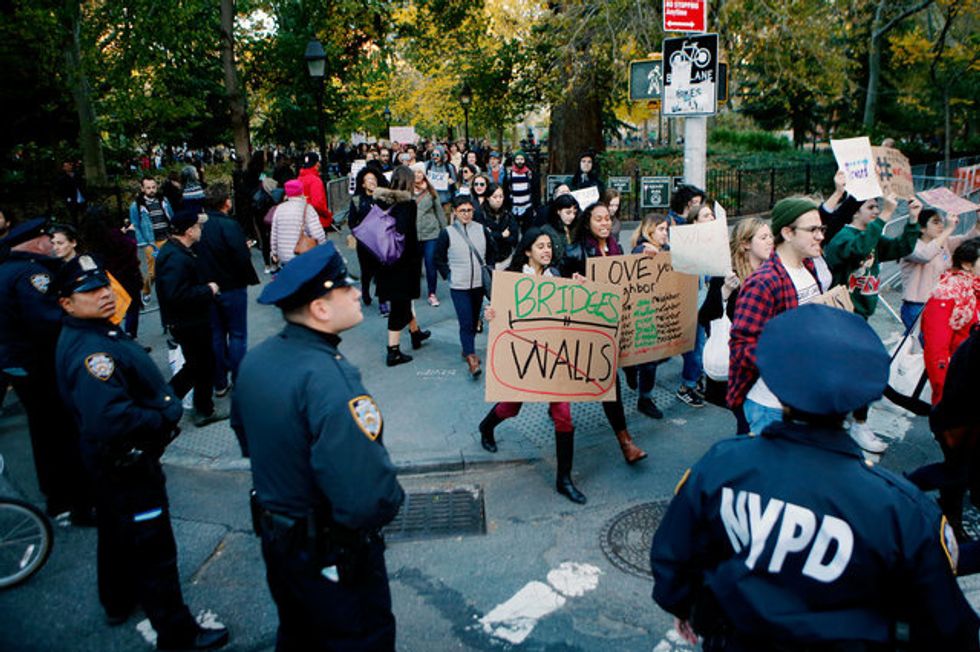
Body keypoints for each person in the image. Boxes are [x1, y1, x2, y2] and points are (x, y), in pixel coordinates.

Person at [650, 303, 980, 651]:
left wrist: (691, 609)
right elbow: (950, 630)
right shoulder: (901, 510)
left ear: (777, 386)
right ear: (858, 402)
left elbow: (672, 563)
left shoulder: (722, 465)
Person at [231, 242, 405, 651]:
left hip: (280, 541)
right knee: (360, 636)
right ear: (321, 309)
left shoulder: (256, 360)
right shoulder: (329, 379)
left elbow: (246, 438)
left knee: (298, 633)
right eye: (347, 288)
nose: (358, 293)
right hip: (331, 548)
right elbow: (365, 494)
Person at [53, 255, 229, 650]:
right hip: (126, 463)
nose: (102, 295)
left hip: (111, 463)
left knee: (118, 532)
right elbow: (109, 418)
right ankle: (178, 633)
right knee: (154, 552)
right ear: (66, 302)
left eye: (103, 287)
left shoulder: (96, 331)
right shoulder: (90, 351)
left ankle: (117, 598)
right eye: (89, 292)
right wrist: (164, 414)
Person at [476, 226, 587, 504]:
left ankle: (564, 479)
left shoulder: (558, 277)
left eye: (549, 245)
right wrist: (490, 314)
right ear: (527, 251)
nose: (547, 250)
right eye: (540, 246)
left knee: (563, 415)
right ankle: (486, 427)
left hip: (554, 357)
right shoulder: (512, 279)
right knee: (510, 408)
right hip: (524, 357)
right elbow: (497, 314)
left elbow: (571, 313)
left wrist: (579, 290)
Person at [0, 218, 94, 524]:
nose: (51, 245)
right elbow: (48, 321)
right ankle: (72, 501)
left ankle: (58, 497)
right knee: (61, 431)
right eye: (47, 240)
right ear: (34, 243)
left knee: (43, 431)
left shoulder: (6, 270)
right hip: (39, 365)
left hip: (19, 364)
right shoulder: (32, 274)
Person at [727, 198, 825, 438]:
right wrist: (786, 359)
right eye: (812, 230)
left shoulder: (809, 268)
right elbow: (741, 347)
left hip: (803, 397)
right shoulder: (764, 281)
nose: (820, 236)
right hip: (770, 406)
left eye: (821, 229)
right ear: (787, 233)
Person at [560, 202, 648, 464]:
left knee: (618, 374)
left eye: (608, 218)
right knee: (610, 386)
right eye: (598, 219)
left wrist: (647, 256)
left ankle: (631, 370)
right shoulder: (575, 252)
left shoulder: (616, 248)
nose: (605, 223)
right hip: (591, 329)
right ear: (588, 223)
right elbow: (561, 290)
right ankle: (626, 442)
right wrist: (576, 285)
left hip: (618, 324)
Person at [698, 218, 773, 433]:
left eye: (770, 236)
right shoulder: (726, 273)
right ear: (745, 244)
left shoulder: (773, 271)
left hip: (766, 358)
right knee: (747, 421)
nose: (770, 242)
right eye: (763, 237)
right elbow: (705, 317)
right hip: (741, 362)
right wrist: (725, 293)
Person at [155, 208, 226, 427]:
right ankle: (167, 405)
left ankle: (198, 407)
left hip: (190, 321)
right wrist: (209, 289)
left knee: (199, 366)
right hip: (189, 323)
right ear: (188, 230)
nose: (201, 229)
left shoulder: (178, 251)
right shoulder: (175, 257)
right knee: (198, 366)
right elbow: (176, 294)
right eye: (198, 226)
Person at [196, 183, 260, 396]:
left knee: (216, 335)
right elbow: (241, 257)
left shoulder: (199, 226)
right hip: (232, 285)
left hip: (208, 287)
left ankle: (220, 381)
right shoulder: (230, 225)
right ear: (226, 202)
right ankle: (239, 378)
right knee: (237, 334)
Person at [373, 166, 431, 366]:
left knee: (404, 302)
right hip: (403, 263)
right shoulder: (407, 204)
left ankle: (415, 333)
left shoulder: (380, 202)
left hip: (384, 260)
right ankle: (393, 351)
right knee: (401, 305)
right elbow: (406, 233)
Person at [435, 196, 496, 377]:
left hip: (478, 284)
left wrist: (489, 270)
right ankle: (471, 357)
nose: (466, 214)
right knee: (466, 321)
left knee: (475, 321)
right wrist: (449, 275)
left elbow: (492, 253)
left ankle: (467, 347)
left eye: (469, 210)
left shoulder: (482, 230)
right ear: (454, 212)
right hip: (459, 285)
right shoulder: (447, 233)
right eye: (462, 211)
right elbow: (438, 258)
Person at [901, 202, 978, 331]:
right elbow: (925, 256)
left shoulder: (944, 242)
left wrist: (978, 221)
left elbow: (969, 240)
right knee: (919, 344)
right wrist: (948, 229)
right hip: (917, 305)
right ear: (922, 228)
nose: (941, 225)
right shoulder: (910, 245)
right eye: (936, 222)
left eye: (942, 222)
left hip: (939, 302)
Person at [922, 238, 980, 405]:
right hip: (959, 385)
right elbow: (936, 351)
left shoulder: (976, 292)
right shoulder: (946, 295)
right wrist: (944, 394)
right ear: (967, 264)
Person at [627, 214, 671, 419]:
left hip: (661, 309)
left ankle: (633, 367)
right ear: (650, 230)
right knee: (650, 359)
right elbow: (636, 260)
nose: (665, 233)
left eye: (666, 229)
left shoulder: (667, 250)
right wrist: (647, 253)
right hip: (643, 311)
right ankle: (645, 399)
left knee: (658, 355)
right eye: (661, 229)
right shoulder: (641, 249)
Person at [80, 205, 144, 340]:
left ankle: (114, 337)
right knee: (132, 307)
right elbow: (130, 246)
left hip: (108, 277)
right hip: (126, 276)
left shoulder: (90, 238)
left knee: (113, 310)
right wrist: (130, 233)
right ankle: (130, 336)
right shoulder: (114, 235)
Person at [129, 175, 174, 304]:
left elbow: (170, 216)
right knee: (152, 272)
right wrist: (144, 243)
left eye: (153, 187)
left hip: (166, 238)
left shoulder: (163, 201)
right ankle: (146, 290)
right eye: (148, 188)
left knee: (168, 268)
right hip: (151, 242)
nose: (151, 190)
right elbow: (135, 225)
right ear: (142, 189)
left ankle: (166, 293)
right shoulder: (136, 205)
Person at [270, 179, 327, 268]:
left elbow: (274, 233)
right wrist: (323, 250)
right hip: (302, 254)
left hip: (284, 256)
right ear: (301, 191)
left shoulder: (279, 209)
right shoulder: (307, 208)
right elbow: (318, 234)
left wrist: (274, 253)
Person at [412, 163, 447, 308]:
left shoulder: (431, 191)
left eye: (420, 172)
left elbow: (439, 211)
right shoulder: (407, 190)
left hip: (431, 232)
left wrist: (445, 230)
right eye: (415, 172)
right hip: (413, 233)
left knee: (430, 263)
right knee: (414, 265)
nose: (418, 175)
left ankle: (432, 293)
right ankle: (414, 290)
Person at [480, 183, 519, 269]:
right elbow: (483, 237)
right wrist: (501, 235)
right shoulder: (481, 215)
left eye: (501, 196)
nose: (498, 200)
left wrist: (494, 235)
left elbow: (514, 237)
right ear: (487, 197)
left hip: (505, 258)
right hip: (487, 260)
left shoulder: (507, 214)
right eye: (495, 197)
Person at [296, 152, 334, 231]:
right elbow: (317, 203)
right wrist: (327, 215)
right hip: (317, 221)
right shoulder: (315, 181)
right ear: (317, 164)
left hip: (301, 219)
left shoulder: (299, 179)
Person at [505, 150, 538, 231]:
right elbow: (506, 190)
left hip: (527, 206)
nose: (519, 161)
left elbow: (535, 190)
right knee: (514, 230)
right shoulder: (509, 174)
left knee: (527, 230)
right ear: (514, 160)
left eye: (521, 159)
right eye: (517, 159)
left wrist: (536, 206)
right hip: (514, 207)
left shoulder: (530, 173)